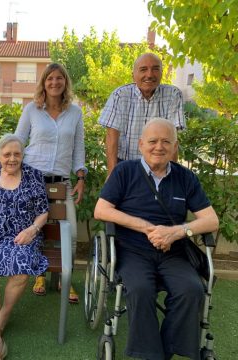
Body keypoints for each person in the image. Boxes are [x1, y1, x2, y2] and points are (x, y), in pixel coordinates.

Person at [94, 118, 219, 359]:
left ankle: (167, 349)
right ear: (141, 144)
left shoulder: (185, 178)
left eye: (166, 141)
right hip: (133, 250)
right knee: (140, 290)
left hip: (174, 251)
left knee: (191, 290)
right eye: (152, 141)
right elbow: (102, 210)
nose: (158, 147)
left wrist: (177, 232)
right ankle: (149, 355)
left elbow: (211, 220)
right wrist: (148, 228)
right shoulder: (125, 171)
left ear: (175, 146)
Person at [15, 62, 86, 303]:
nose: (54, 82)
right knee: (37, 230)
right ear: (43, 83)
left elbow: (78, 148)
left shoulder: (75, 113)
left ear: (65, 82)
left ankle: (65, 279)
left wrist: (81, 177)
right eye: (49, 79)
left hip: (62, 183)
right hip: (33, 179)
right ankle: (39, 275)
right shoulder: (31, 110)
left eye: (59, 78)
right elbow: (17, 141)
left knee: (71, 234)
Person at [0, 134, 49, 360]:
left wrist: (32, 231)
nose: (12, 159)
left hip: (22, 236)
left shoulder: (34, 175)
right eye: (7, 154)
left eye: (17, 154)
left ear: (23, 155)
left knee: (22, 266)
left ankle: (2, 317)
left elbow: (43, 211)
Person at [99, 52, 185, 176]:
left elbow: (172, 139)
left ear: (162, 72)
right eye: (143, 69)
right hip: (125, 166)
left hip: (159, 166)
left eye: (155, 69)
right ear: (133, 75)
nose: (149, 75)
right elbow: (112, 137)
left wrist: (170, 178)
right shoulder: (120, 95)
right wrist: (112, 175)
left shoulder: (173, 95)